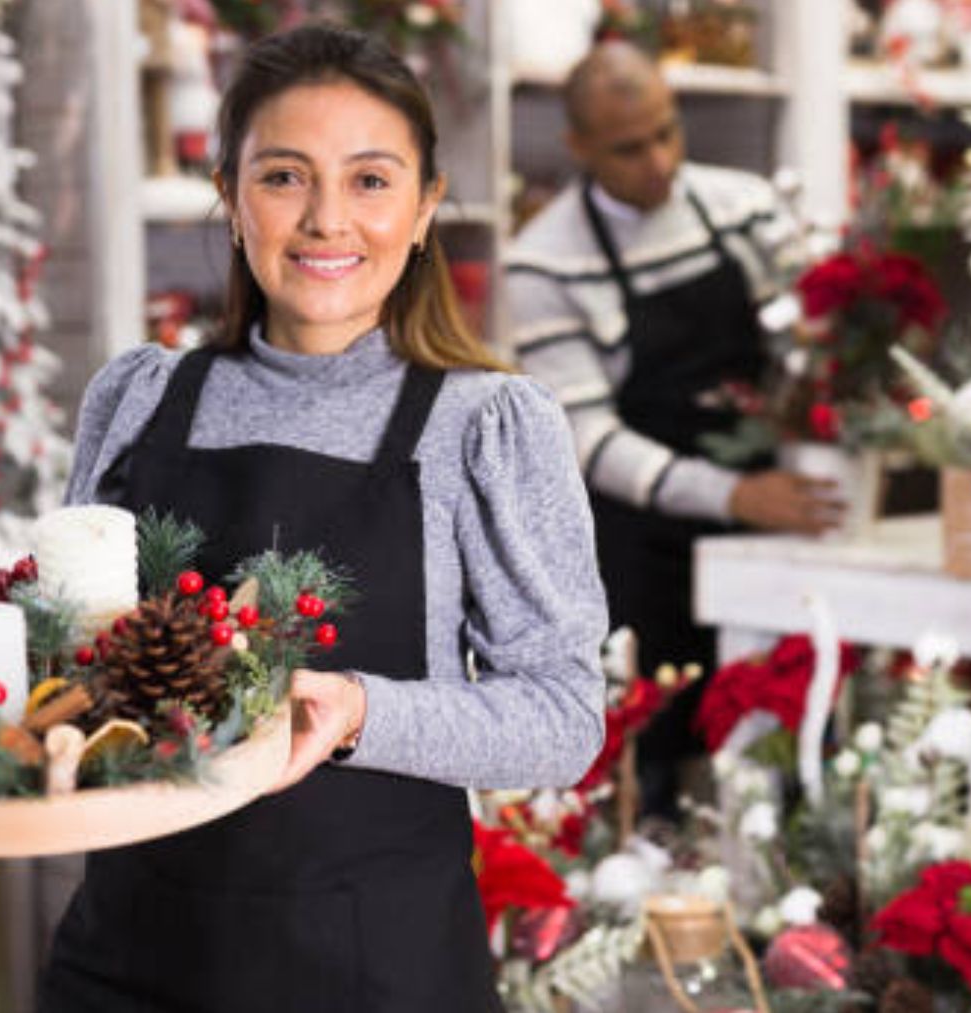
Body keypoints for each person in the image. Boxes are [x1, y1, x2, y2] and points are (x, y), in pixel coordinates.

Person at [33, 25, 607, 1010]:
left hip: (372, 966)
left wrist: (359, 711)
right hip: (127, 954)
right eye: (285, 176)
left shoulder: (487, 425)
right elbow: (66, 667)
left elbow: (563, 718)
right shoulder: (135, 395)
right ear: (230, 195)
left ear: (427, 207)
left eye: (372, 180)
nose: (327, 220)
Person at [506, 42, 839, 820]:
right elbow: (587, 436)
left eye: (667, 133)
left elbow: (809, 334)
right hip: (643, 545)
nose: (658, 162)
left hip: (770, 524)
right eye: (628, 148)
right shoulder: (544, 261)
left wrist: (809, 384)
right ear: (579, 147)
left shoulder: (744, 206)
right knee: (653, 765)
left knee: (788, 743)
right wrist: (733, 495)